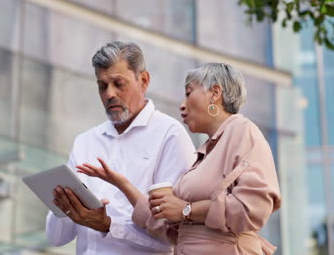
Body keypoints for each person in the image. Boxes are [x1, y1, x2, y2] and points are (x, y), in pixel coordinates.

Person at [78, 63, 282, 255]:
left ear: (215, 93)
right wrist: (122, 184)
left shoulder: (242, 131)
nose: (182, 106)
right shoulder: (206, 153)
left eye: (188, 93)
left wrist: (187, 209)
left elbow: (251, 208)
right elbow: (172, 228)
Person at [45, 41, 196, 255]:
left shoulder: (170, 135)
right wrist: (64, 206)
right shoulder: (85, 142)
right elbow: (56, 238)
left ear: (143, 81)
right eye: (102, 86)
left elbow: (174, 235)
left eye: (118, 83)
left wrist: (109, 225)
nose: (109, 94)